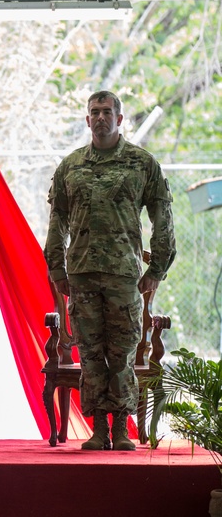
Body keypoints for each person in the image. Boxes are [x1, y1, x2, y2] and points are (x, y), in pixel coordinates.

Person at [45, 90, 176, 451]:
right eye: (94, 112)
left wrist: (158, 268)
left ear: (120, 119)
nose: (101, 118)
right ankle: (98, 428)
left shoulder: (141, 163)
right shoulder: (70, 166)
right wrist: (56, 265)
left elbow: (162, 216)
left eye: (107, 112)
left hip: (123, 274)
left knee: (121, 353)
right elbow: (57, 220)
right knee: (90, 351)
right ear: (87, 120)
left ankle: (120, 428)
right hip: (82, 272)